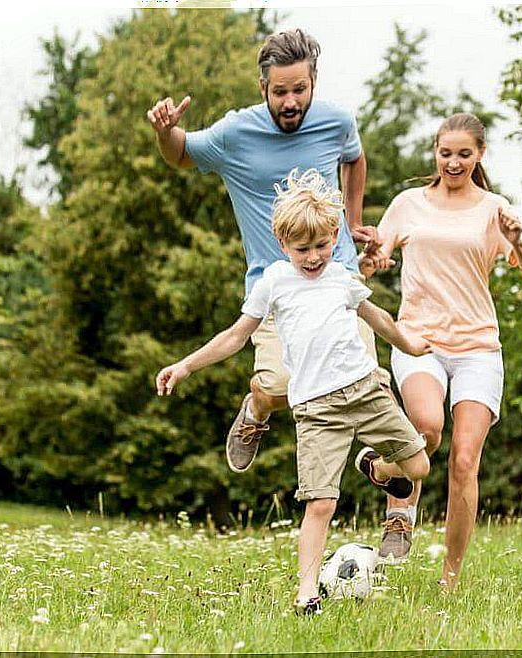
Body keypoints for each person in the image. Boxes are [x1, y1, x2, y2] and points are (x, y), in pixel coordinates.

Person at [155, 169, 430, 614]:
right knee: (321, 502)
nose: (313, 257)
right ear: (283, 245)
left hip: (366, 392)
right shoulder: (275, 283)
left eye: (322, 245)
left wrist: (409, 345)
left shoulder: (341, 277)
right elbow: (235, 336)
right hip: (318, 410)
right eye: (302, 249)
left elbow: (377, 317)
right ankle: (305, 593)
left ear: (334, 236)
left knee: (417, 467)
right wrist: (185, 365)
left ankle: (377, 468)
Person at [147, 28, 386, 474]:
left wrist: (352, 222)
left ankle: (388, 490)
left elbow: (354, 157)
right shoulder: (236, 133)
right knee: (280, 386)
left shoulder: (336, 121)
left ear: (314, 81)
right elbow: (180, 154)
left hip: (338, 278)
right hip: (276, 289)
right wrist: (166, 132)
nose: (291, 101)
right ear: (263, 88)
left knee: (367, 385)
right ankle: (256, 409)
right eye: (280, 92)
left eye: (300, 89)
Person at [361, 113, 522, 589]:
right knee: (426, 428)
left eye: (464, 154)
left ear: (479, 155)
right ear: (435, 153)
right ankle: (395, 495)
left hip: (478, 347)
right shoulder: (408, 203)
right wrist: (375, 261)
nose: (454, 162)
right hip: (419, 339)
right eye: (446, 153)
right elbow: (375, 256)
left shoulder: (493, 209)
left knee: (465, 461)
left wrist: (519, 242)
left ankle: (450, 580)